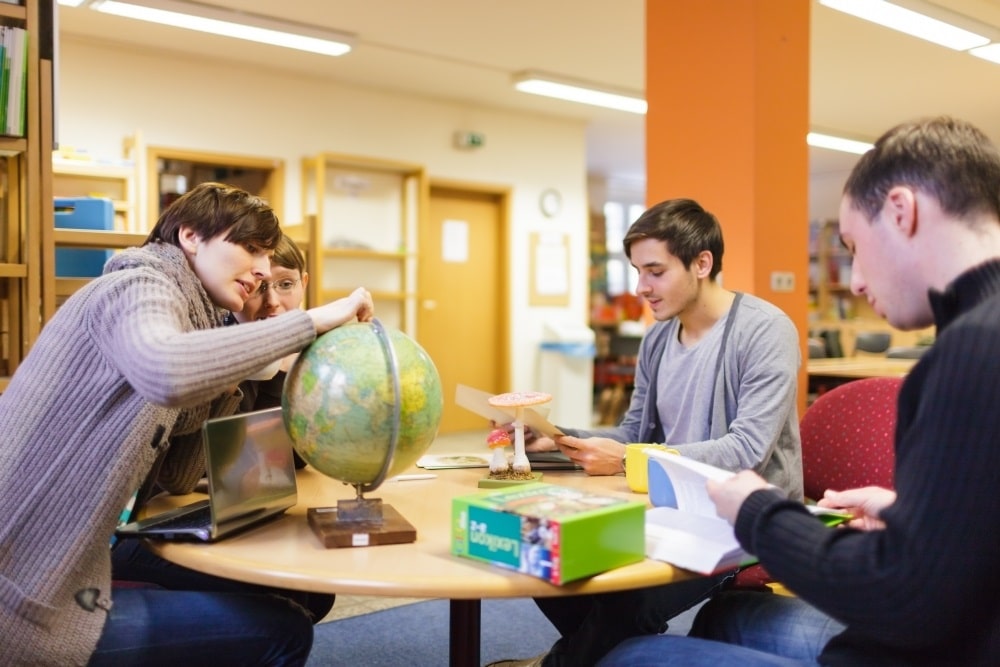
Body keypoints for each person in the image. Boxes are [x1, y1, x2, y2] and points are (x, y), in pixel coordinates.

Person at [599, 116, 1000, 666]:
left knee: (627, 658)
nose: (857, 281)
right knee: (725, 617)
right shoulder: (978, 339)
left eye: (856, 246)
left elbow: (906, 600)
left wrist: (760, 512)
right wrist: (910, 514)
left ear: (903, 212)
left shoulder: (970, 353)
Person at [0, 182, 374, 666]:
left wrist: (236, 375)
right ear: (191, 236)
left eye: (271, 263)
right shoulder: (137, 285)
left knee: (303, 597)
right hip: (24, 597)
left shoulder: (193, 315)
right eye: (251, 250)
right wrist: (309, 323)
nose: (262, 272)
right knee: (282, 631)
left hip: (63, 568)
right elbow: (168, 370)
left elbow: (178, 474)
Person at [492, 198, 804, 667]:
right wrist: (554, 436)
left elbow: (748, 451)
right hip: (663, 503)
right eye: (638, 271)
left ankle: (562, 662)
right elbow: (633, 432)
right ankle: (592, 655)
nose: (641, 287)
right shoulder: (658, 337)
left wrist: (626, 458)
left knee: (627, 600)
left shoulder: (764, 332)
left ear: (702, 263)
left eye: (655, 271)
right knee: (542, 551)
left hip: (738, 518)